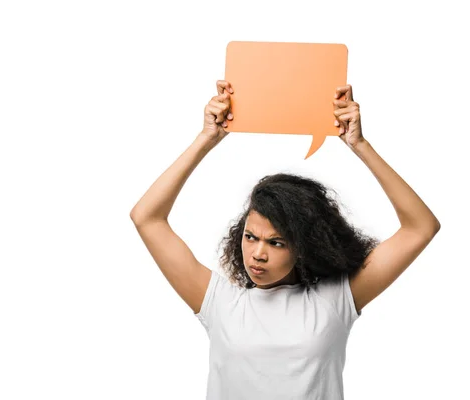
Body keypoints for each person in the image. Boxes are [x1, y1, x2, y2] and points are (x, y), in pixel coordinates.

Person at [130, 80, 440, 399]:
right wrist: (206, 139)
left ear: (304, 248)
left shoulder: (335, 301)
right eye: (251, 238)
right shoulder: (221, 303)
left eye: (276, 243)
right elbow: (146, 218)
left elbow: (420, 227)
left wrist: (359, 144)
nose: (257, 254)